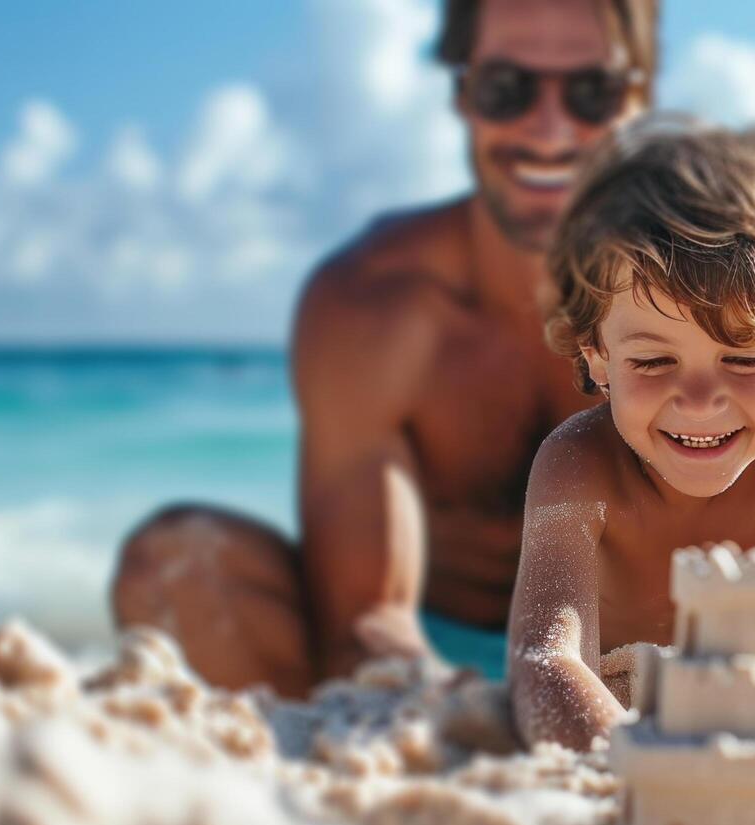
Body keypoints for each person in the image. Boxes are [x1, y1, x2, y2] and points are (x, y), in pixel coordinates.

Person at [108, 0, 658, 697]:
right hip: (420, 656)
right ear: (462, 94)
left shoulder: (709, 293)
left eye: (589, 91)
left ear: (634, 99)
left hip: (633, 660)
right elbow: (364, 619)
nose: (548, 129)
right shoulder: (373, 301)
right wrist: (447, 712)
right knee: (173, 562)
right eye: (507, 88)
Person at [506, 120, 755, 751]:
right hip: (613, 714)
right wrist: (636, 777)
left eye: (745, 359)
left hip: (748, 705)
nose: (700, 401)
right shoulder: (578, 463)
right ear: (597, 356)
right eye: (652, 361)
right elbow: (548, 662)